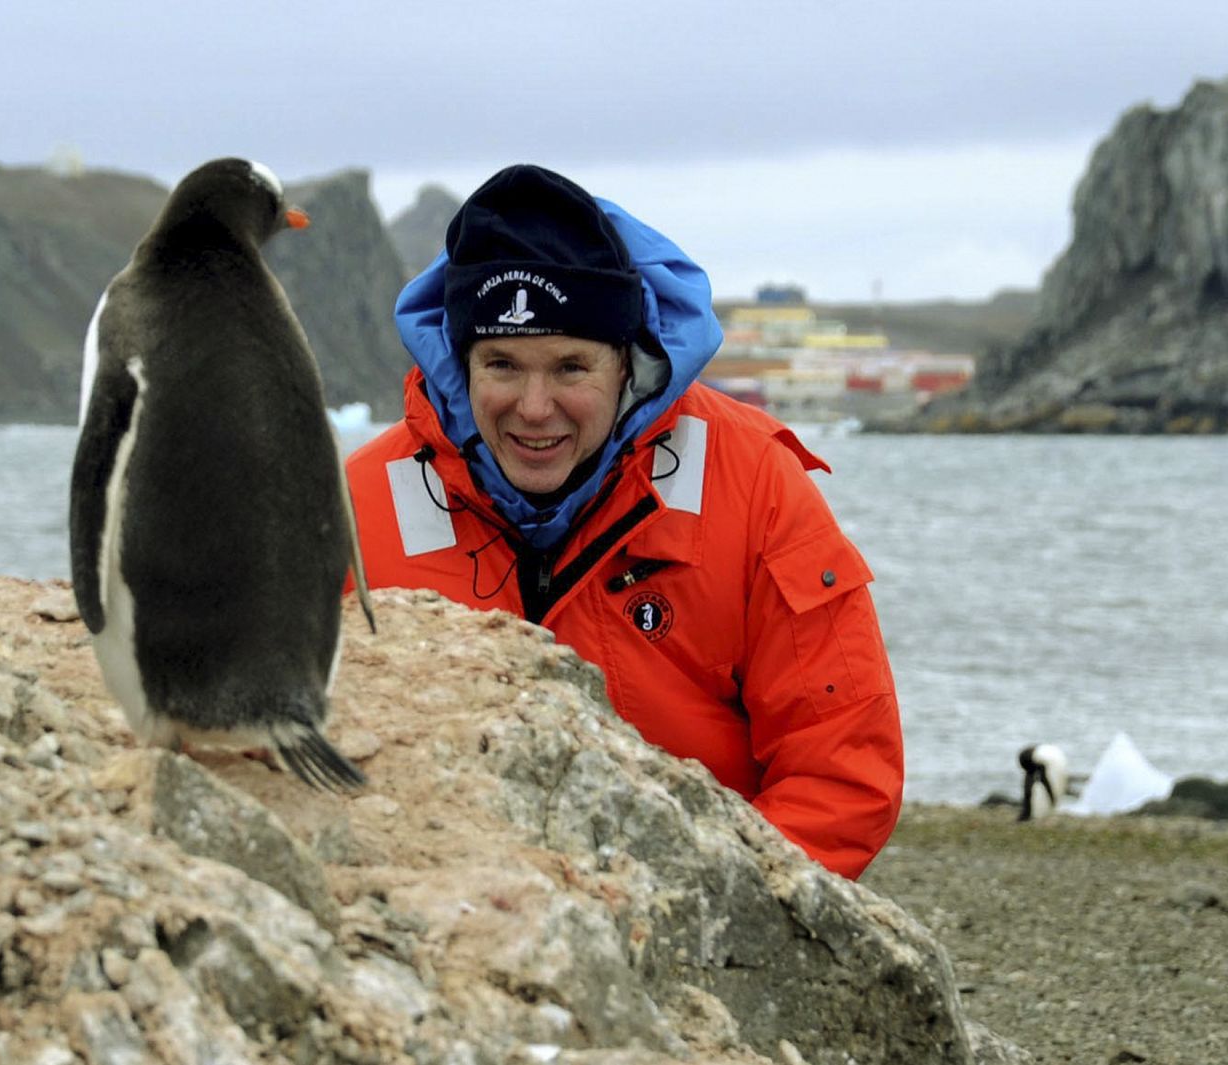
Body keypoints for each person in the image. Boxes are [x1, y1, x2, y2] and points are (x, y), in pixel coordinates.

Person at [345, 165, 902, 879]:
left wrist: (703, 920)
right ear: (458, 363)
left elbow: (841, 764)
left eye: (571, 367)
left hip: (696, 917)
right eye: (503, 364)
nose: (535, 406)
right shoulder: (360, 507)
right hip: (446, 921)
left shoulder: (753, 484)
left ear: (628, 364)